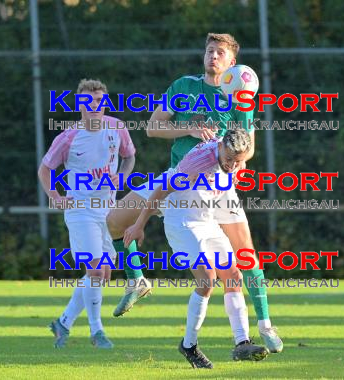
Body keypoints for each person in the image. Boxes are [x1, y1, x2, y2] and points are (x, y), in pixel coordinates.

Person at [107, 32, 283, 353]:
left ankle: (265, 326)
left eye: (220, 53)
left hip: (217, 187)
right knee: (115, 221)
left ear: (233, 64)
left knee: (244, 256)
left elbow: (249, 148)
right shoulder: (184, 87)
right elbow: (152, 127)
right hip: (177, 181)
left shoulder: (240, 98)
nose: (213, 56)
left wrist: (239, 162)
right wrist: (186, 128)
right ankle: (136, 280)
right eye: (210, 50)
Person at [124, 129, 269, 368]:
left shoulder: (234, 158)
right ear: (221, 147)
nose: (233, 165)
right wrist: (139, 225)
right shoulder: (198, 163)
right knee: (208, 279)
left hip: (206, 218)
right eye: (230, 159)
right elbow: (162, 189)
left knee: (233, 275)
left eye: (238, 160)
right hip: (181, 220)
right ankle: (189, 345)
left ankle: (242, 343)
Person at [38, 78, 136, 349]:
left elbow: (130, 156)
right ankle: (97, 332)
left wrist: (122, 177)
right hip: (80, 211)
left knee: (103, 273)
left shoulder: (117, 127)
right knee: (95, 270)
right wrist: (55, 196)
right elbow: (45, 169)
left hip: (109, 212)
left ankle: (64, 322)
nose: (94, 105)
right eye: (88, 100)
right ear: (79, 104)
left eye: (99, 100)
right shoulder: (68, 136)